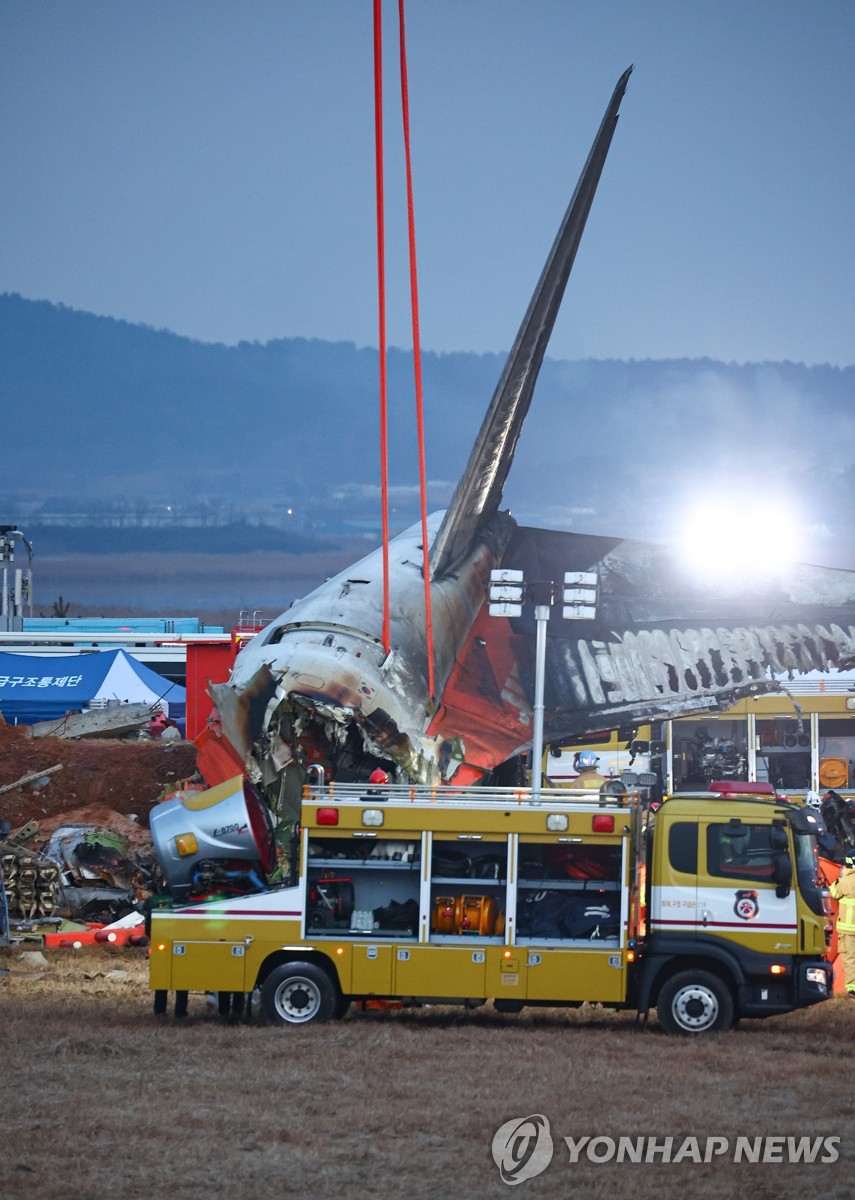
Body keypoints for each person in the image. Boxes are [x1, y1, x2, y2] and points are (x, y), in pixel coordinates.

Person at [830, 854, 855, 999]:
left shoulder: (844, 882)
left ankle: (853, 989)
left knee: (850, 958)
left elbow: (833, 892)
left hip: (848, 930)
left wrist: (840, 875)